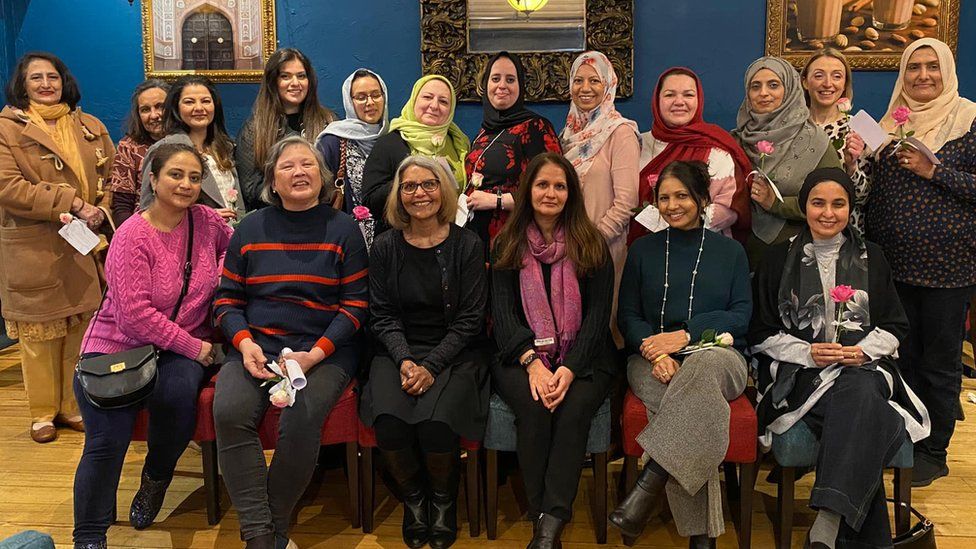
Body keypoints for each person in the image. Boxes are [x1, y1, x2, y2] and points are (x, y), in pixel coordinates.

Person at [751, 167, 929, 548]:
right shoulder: (776, 258)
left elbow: (895, 326)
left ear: (851, 208)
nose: (828, 213)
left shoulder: (874, 257)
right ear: (805, 206)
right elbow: (761, 332)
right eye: (818, 203)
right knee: (865, 407)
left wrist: (861, 350)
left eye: (838, 204)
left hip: (862, 366)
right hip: (803, 374)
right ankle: (842, 528)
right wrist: (809, 352)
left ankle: (828, 523)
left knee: (859, 387)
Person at [73, 144, 231, 549]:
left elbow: (236, 252)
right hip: (118, 345)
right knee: (106, 441)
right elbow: (134, 317)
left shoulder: (207, 222)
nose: (186, 184)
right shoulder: (132, 235)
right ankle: (89, 536)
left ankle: (156, 477)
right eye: (176, 175)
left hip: (181, 347)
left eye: (195, 177)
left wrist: (222, 283)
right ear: (153, 179)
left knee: (177, 395)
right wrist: (197, 349)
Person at [212, 136, 367, 549]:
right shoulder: (249, 228)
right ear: (272, 182)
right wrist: (244, 344)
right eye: (287, 167)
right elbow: (227, 300)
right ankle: (261, 534)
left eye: (308, 165)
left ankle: (272, 527)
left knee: (301, 417)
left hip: (324, 350)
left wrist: (314, 355)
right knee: (229, 411)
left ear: (323, 177)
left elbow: (355, 306)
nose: (299, 172)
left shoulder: (345, 229)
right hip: (257, 346)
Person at [610, 161, 751, 549]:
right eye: (664, 198)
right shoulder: (643, 250)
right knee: (698, 408)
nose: (672, 205)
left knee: (702, 371)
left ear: (703, 199)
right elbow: (629, 314)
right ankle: (702, 536)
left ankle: (650, 479)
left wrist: (686, 335)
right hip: (651, 357)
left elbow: (741, 315)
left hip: (718, 354)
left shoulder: (731, 252)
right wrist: (655, 352)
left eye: (682, 196)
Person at [361, 156, 489, 549]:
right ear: (399, 196)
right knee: (389, 422)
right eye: (410, 186)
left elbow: (470, 319)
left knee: (438, 423)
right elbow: (380, 316)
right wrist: (405, 360)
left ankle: (443, 500)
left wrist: (431, 366)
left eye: (429, 184)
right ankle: (414, 500)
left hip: (455, 352)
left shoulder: (466, 244)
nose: (420, 194)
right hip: (397, 350)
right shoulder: (384, 246)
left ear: (445, 190)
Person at [491, 152, 617, 548]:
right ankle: (545, 519)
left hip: (586, 355)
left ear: (571, 193)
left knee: (574, 408)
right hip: (519, 355)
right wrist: (533, 364)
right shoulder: (506, 243)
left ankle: (549, 524)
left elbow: (598, 318)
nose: (550, 193)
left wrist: (569, 368)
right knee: (534, 407)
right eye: (542, 184)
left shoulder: (591, 243)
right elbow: (503, 315)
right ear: (527, 190)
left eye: (559, 186)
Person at [866, 38, 976, 487]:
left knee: (939, 363)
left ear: (947, 71)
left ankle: (936, 450)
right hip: (893, 268)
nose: (923, 76)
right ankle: (906, 440)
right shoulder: (889, 124)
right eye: (914, 68)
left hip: (948, 269)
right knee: (900, 360)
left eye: (933, 67)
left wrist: (935, 171)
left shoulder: (969, 119)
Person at [0, 51, 114, 443]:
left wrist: (101, 209)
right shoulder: (7, 128)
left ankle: (70, 405)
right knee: (38, 335)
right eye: (37, 78)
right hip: (33, 246)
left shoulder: (90, 125)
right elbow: (8, 188)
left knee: (79, 327)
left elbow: (109, 178)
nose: (47, 84)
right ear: (22, 85)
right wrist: (71, 203)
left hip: (83, 243)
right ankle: (42, 412)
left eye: (53, 76)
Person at [560, 51, 639, 347]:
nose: (585, 87)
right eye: (578, 80)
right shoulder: (567, 134)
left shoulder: (620, 133)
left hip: (603, 247)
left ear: (608, 85)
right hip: (566, 247)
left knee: (603, 326)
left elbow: (627, 200)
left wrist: (593, 240)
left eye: (594, 80)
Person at [732, 56, 841, 268]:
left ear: (789, 89)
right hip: (742, 257)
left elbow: (835, 201)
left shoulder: (816, 142)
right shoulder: (735, 141)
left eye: (773, 85)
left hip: (797, 258)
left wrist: (776, 203)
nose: (763, 93)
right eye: (756, 86)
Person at [630, 67, 752, 244]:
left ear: (699, 100)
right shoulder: (638, 145)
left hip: (701, 250)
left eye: (688, 95)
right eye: (670, 95)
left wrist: (676, 221)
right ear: (657, 100)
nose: (679, 102)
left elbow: (731, 209)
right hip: (641, 249)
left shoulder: (716, 149)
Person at [464, 51, 562, 252]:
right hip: (476, 239)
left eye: (510, 79)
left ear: (521, 86)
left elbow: (554, 190)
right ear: (486, 85)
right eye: (495, 78)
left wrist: (496, 201)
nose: (502, 86)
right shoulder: (483, 132)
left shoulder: (536, 127)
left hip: (516, 241)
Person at [362, 75, 469, 234]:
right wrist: (410, 182)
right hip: (403, 242)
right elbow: (371, 202)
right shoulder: (389, 143)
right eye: (427, 97)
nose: (434, 105)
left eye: (443, 101)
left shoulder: (460, 143)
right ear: (414, 101)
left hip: (451, 240)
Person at [138, 75, 245, 223]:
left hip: (230, 239)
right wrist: (202, 218)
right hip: (188, 241)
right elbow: (147, 211)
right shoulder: (162, 149)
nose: (199, 108)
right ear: (176, 108)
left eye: (206, 101)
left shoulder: (226, 147)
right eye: (189, 102)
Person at [237, 48, 335, 210]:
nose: (295, 83)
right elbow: (250, 190)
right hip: (274, 223)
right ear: (273, 82)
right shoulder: (254, 130)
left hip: (322, 217)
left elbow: (336, 175)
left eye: (301, 76)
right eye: (285, 76)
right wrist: (293, 197)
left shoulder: (328, 122)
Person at [316, 68, 390, 248]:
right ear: (349, 101)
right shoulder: (333, 141)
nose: (370, 102)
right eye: (361, 97)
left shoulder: (394, 138)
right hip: (345, 241)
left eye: (375, 95)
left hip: (389, 242)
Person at [800, 48, 870, 233]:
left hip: (846, 236)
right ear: (805, 82)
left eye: (837, 76)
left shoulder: (864, 126)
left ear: (845, 83)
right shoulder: (791, 126)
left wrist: (852, 166)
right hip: (797, 230)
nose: (828, 83)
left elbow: (866, 196)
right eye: (819, 75)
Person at [109, 79, 169, 226]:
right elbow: (121, 206)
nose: (154, 115)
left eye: (160, 107)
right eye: (145, 110)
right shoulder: (129, 147)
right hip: (143, 230)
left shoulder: (188, 141)